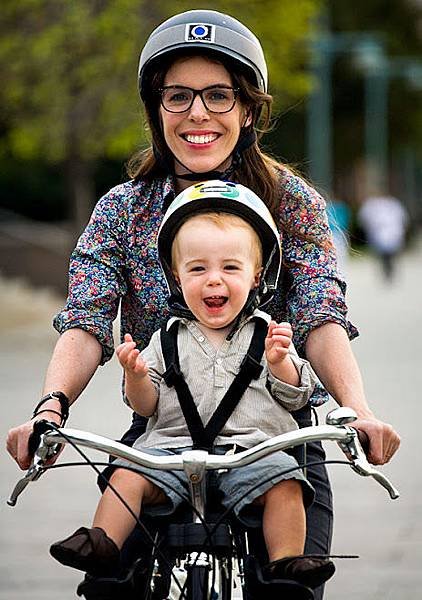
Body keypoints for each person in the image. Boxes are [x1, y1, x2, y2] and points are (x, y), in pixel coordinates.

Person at [6, 9, 400, 599]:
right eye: (178, 96)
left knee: (291, 587)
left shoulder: (293, 202)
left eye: (219, 96)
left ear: (248, 110)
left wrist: (357, 410)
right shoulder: (122, 208)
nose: (197, 114)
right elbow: (87, 319)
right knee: (107, 583)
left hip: (276, 434)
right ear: (155, 108)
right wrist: (50, 408)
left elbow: (321, 314)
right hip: (164, 432)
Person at [49, 181, 335, 589]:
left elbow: (296, 395)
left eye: (230, 268)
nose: (213, 280)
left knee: (288, 481)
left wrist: (280, 364)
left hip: (254, 454)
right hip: (172, 454)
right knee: (126, 472)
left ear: (257, 277)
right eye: (197, 269)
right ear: (176, 278)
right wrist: (135, 374)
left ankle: (287, 562)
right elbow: (146, 406)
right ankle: (102, 544)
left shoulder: (268, 334)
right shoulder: (166, 338)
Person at [357, 194, 408, 281]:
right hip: (382, 236)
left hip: (391, 235)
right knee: (384, 256)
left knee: (390, 255)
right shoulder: (373, 205)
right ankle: (387, 272)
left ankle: (389, 272)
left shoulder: (392, 205)